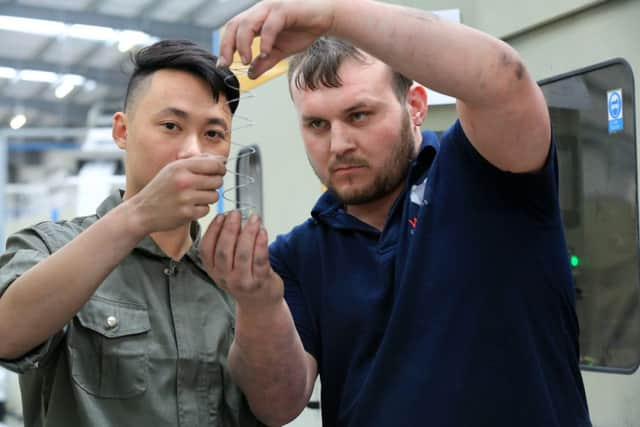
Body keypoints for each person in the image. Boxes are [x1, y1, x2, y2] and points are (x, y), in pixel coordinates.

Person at [201, 1, 592, 426]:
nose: (338, 145)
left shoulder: (485, 174)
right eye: (317, 124)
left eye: (359, 115)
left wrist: (332, 15)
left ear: (416, 107)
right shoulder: (297, 257)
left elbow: (503, 78)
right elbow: (277, 404)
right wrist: (257, 302)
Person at [0, 40, 261, 427]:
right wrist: (137, 216)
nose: (193, 151)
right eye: (171, 126)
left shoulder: (235, 275)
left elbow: (279, 404)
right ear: (122, 131)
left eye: (213, 134)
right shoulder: (50, 248)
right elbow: (7, 332)